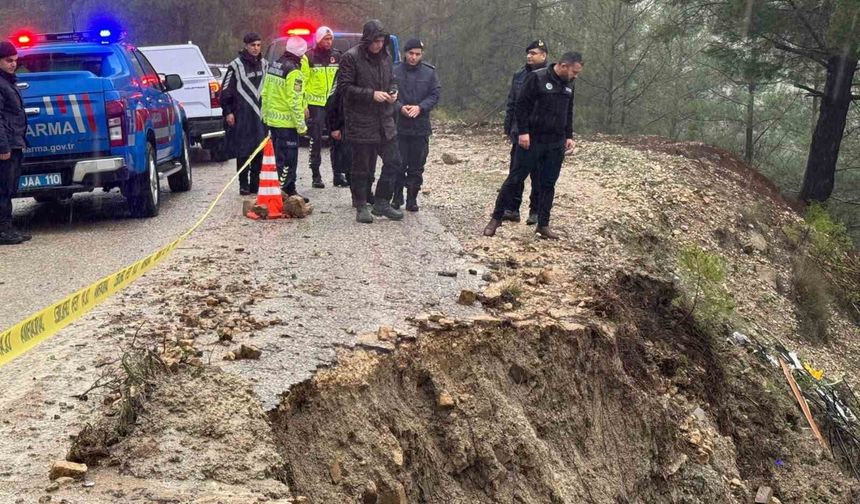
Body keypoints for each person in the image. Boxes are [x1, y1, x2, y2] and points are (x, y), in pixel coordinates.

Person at [484, 51, 584, 240]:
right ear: (563, 66)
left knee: (548, 183)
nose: (575, 76)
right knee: (515, 179)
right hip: (532, 140)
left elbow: (569, 110)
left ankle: (543, 224)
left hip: (555, 142)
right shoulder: (537, 78)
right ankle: (496, 219)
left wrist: (569, 135)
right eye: (574, 72)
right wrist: (523, 132)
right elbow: (521, 106)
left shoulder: (569, 83)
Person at [337, 19, 404, 224]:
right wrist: (371, 94)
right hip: (361, 120)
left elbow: (392, 80)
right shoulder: (351, 57)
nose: (379, 45)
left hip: (385, 120)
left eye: (382, 41)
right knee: (362, 167)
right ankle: (360, 205)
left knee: (394, 161)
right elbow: (344, 88)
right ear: (367, 40)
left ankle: (382, 201)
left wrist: (393, 91)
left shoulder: (386, 56)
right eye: (375, 41)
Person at [391, 38, 440, 212]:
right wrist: (400, 107)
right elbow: (390, 94)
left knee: (417, 166)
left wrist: (420, 107)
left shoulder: (429, 72)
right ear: (405, 53)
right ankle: (397, 196)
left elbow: (435, 95)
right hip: (399, 126)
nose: (413, 57)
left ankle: (412, 198)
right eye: (411, 53)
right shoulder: (394, 70)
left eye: (417, 54)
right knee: (397, 164)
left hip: (420, 127)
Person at [502, 39, 548, 224]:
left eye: (534, 53)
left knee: (539, 174)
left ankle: (535, 211)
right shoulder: (519, 75)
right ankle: (512, 209)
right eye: (528, 53)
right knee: (516, 172)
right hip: (520, 130)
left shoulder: (550, 76)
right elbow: (512, 101)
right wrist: (508, 125)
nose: (529, 56)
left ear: (544, 55)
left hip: (541, 132)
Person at [261, 36, 309, 201]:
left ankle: (282, 190)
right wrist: (301, 126)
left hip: (273, 121)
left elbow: (265, 92)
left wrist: (265, 117)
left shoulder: (275, 65)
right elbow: (294, 101)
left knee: (277, 159)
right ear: (301, 54)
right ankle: (286, 191)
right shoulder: (294, 71)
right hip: (287, 124)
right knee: (289, 160)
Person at [221, 32, 268, 195]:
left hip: (260, 114)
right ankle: (243, 183)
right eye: (252, 45)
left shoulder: (265, 65)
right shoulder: (235, 66)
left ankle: (255, 182)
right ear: (246, 46)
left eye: (258, 45)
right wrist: (228, 111)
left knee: (259, 148)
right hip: (242, 114)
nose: (256, 48)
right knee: (243, 150)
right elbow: (225, 90)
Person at [306, 27, 344, 189]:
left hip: (333, 103)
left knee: (337, 138)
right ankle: (316, 175)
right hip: (315, 104)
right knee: (316, 139)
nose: (328, 42)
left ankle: (338, 174)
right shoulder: (309, 56)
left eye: (330, 39)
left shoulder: (338, 56)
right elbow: (303, 81)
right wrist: (304, 104)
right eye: (325, 39)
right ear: (318, 40)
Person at [0, 41, 29, 245]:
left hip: (14, 142)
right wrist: (3, 146)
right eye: (8, 60)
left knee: (9, 188)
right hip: (6, 145)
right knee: (3, 189)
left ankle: (8, 227)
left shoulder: (7, 81)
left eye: (15, 60)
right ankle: (3, 230)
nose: (13, 64)